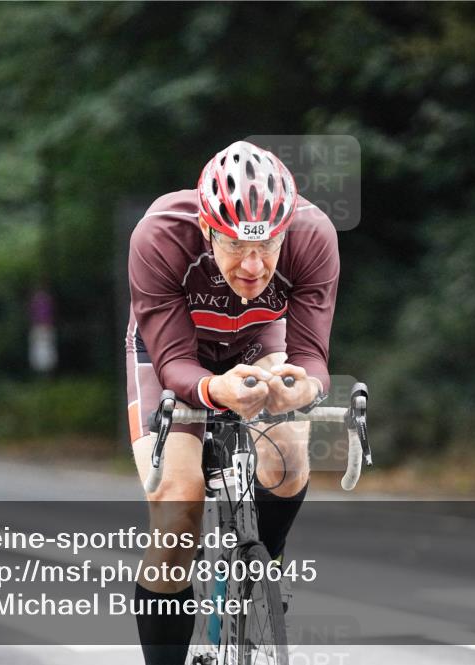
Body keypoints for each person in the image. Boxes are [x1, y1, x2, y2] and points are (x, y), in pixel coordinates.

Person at [125, 140, 339, 664]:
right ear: (206, 228)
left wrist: (304, 388)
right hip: (170, 350)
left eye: (267, 245)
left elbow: (311, 358)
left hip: (257, 339)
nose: (253, 264)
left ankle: (267, 564)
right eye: (236, 246)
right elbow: (175, 364)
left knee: (289, 454)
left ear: (286, 230)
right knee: (178, 508)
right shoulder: (159, 235)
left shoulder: (313, 235)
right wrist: (214, 389)